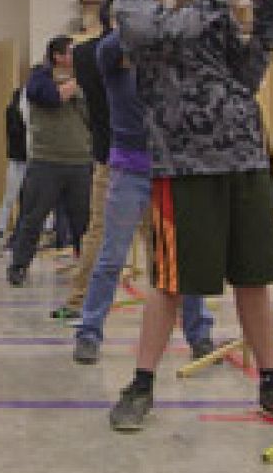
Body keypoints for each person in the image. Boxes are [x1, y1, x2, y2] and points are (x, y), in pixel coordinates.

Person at [107, 0, 273, 431]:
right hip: (182, 166)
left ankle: (272, 382)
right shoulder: (135, 4)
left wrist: (266, 15)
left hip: (244, 158)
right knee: (171, 284)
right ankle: (140, 384)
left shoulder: (213, 12)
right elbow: (158, 32)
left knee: (254, 278)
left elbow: (244, 77)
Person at [72, 24, 214, 363]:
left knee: (185, 258)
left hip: (171, 170)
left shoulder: (170, 63)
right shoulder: (112, 57)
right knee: (112, 256)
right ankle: (89, 332)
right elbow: (108, 48)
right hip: (128, 170)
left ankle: (200, 334)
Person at [4, 36, 91, 287]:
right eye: (72, 52)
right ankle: (19, 265)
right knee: (32, 217)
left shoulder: (84, 82)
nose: (76, 57)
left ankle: (85, 267)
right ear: (58, 56)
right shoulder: (40, 77)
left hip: (80, 161)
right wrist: (78, 82)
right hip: (46, 161)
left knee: (83, 221)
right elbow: (50, 97)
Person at [50, 0, 114, 319]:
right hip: (121, 156)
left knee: (98, 233)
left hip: (113, 155)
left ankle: (78, 301)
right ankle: (79, 301)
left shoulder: (87, 53)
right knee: (101, 233)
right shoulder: (94, 54)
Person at [0, 83, 27, 246]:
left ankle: (0, 229)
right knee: (14, 196)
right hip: (23, 159)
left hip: (17, 158)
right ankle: (1, 229)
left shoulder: (11, 110)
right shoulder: (16, 113)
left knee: (10, 196)